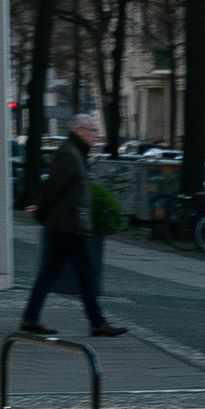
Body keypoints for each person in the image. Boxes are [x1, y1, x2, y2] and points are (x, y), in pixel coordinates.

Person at [20, 111, 127, 339]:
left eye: (96, 132)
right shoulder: (70, 153)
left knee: (52, 273)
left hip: (67, 224)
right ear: (78, 131)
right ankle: (97, 322)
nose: (96, 136)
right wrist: (40, 212)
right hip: (70, 224)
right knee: (86, 273)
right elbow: (54, 187)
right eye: (92, 131)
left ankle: (31, 318)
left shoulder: (75, 152)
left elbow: (56, 187)